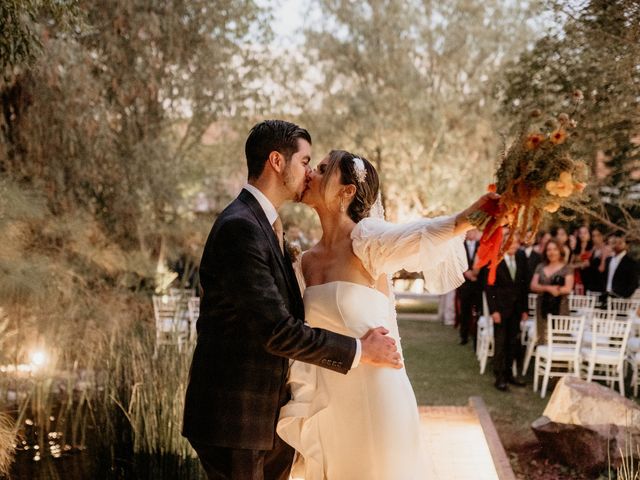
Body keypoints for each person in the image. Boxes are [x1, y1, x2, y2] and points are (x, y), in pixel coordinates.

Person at [182, 121, 401, 480]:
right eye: (305, 161)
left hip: (263, 419)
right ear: (277, 162)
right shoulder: (241, 227)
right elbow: (278, 331)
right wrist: (361, 351)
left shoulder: (264, 225)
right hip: (235, 417)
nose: (310, 172)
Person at [276, 150, 495, 480]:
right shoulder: (304, 261)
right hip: (330, 403)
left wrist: (472, 216)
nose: (311, 174)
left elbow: (421, 232)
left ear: (347, 191)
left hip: (377, 395)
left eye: (322, 170)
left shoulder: (367, 240)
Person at [485, 231, 529, 391]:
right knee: (501, 343)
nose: (513, 246)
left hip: (516, 309)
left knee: (513, 343)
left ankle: (510, 375)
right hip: (501, 310)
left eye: (515, 243)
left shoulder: (521, 258)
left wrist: (525, 309)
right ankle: (499, 377)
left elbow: (524, 285)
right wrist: (493, 310)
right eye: (509, 243)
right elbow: (489, 288)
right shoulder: (495, 259)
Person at [530, 239, 575, 344]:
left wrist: (557, 291)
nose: (552, 252)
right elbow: (533, 285)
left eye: (555, 249)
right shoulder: (540, 267)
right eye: (549, 250)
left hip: (560, 306)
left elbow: (568, 288)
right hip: (542, 306)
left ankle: (559, 359)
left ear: (560, 251)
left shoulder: (567, 268)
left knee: (559, 336)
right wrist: (548, 288)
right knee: (542, 336)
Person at [456, 228, 482, 346]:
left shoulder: (481, 245)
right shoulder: (460, 246)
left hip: (477, 284)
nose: (471, 234)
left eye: (473, 231)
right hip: (465, 284)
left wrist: (476, 274)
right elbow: (457, 262)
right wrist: (466, 273)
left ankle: (476, 337)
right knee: (465, 311)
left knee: (477, 311)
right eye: (469, 231)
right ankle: (464, 336)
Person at [599, 233, 638, 299]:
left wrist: (623, 297)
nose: (617, 245)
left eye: (620, 243)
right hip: (606, 296)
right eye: (615, 242)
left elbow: (633, 284)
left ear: (626, 245)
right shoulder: (608, 260)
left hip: (620, 300)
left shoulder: (631, 263)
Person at [583, 227, 606, 294]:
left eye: (598, 235)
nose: (595, 238)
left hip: (600, 286)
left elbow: (601, 268)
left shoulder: (606, 249)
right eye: (593, 236)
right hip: (590, 285)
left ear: (603, 236)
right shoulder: (593, 250)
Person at [571, 225, 593, 294]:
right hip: (576, 278)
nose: (582, 235)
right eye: (580, 233)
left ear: (590, 235)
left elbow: (589, 264)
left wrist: (577, 265)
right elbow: (570, 265)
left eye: (585, 233)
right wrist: (581, 264)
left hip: (588, 279)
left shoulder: (592, 249)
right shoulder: (575, 250)